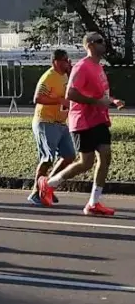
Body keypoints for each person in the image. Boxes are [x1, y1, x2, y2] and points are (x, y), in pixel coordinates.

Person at [38, 33, 125, 215]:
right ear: (90, 45)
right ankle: (49, 183)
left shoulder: (98, 67)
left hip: (99, 119)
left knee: (105, 156)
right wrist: (95, 103)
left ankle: (93, 203)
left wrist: (113, 101)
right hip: (83, 121)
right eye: (100, 41)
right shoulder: (82, 66)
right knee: (86, 163)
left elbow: (100, 95)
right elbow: (70, 94)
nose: (104, 44)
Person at [27, 49, 75, 206]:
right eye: (64, 60)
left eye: (68, 60)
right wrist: (60, 101)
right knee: (47, 158)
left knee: (69, 156)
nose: (67, 63)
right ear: (56, 61)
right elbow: (38, 98)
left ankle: (48, 186)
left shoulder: (66, 75)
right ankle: (35, 192)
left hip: (61, 123)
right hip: (45, 122)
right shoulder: (49, 76)